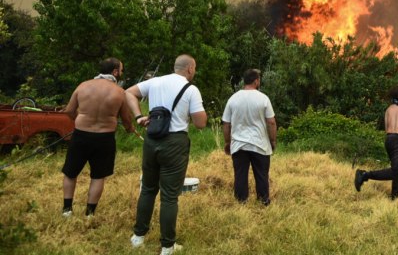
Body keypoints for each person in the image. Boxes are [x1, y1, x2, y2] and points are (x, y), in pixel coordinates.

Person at [125, 54, 206, 255]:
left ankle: (138, 237)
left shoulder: (155, 82)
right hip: (175, 143)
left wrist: (138, 116)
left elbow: (128, 93)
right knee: (170, 197)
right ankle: (167, 246)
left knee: (148, 189)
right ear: (190, 69)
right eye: (194, 69)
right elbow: (200, 123)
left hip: (152, 140)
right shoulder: (191, 89)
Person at [61, 57, 134, 217]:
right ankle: (89, 213)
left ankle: (67, 210)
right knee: (98, 176)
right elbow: (126, 119)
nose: (121, 72)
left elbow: (69, 110)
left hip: (81, 135)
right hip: (104, 138)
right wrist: (130, 129)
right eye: (121, 70)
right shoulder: (119, 92)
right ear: (115, 72)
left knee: (71, 173)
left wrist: (79, 120)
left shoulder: (83, 86)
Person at [354, 85, 398, 199]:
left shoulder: (389, 109)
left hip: (389, 140)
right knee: (396, 172)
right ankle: (364, 175)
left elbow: (387, 129)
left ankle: (394, 198)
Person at [222, 68, 277, 205]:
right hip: (260, 144)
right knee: (261, 175)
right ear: (256, 81)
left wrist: (228, 142)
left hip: (239, 145)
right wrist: (273, 140)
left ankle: (241, 203)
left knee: (240, 175)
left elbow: (226, 124)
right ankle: (263, 201)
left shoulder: (233, 99)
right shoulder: (263, 98)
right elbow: (271, 122)